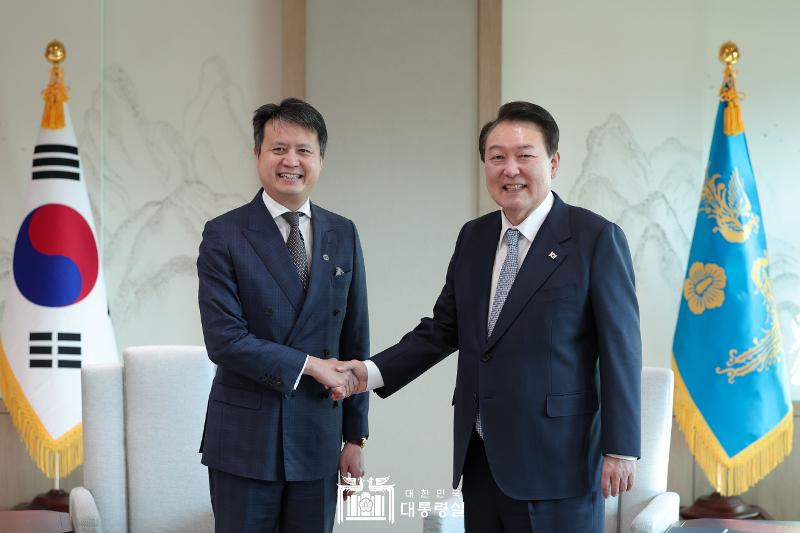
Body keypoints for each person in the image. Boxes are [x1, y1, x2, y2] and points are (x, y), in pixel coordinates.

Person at [339, 101, 641, 532]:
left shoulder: (594, 238)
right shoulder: (475, 237)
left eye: (525, 156)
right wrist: (367, 373)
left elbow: (621, 350)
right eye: (497, 157)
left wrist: (622, 447)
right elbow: (443, 329)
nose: (510, 169)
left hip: (558, 462)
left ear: (553, 163)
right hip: (481, 458)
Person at [197, 98, 368, 533]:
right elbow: (224, 340)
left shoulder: (342, 231)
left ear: (321, 160)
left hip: (318, 436)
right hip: (245, 440)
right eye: (278, 149)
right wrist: (310, 366)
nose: (291, 161)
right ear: (257, 155)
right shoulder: (224, 234)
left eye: (304, 150)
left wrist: (355, 436)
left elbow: (355, 338)